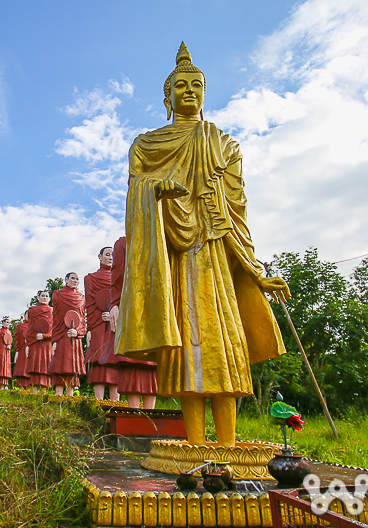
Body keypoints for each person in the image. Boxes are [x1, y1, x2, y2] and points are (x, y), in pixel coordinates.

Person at [116, 43, 291, 446]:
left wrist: (255, 273)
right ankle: (194, 445)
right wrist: (156, 187)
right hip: (173, 261)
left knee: (224, 350)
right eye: (182, 85)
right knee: (186, 354)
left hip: (214, 258)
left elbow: (236, 213)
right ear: (167, 97)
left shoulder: (223, 145)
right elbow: (135, 194)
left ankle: (228, 446)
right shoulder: (147, 146)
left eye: (197, 84)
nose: (190, 91)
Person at [106, 236, 158, 409]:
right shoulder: (123, 243)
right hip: (131, 304)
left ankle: (151, 413)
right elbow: (118, 274)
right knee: (132, 358)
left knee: (154, 359)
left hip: (156, 303)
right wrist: (114, 304)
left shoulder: (158, 237)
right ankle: (134, 410)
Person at [84, 246, 119, 401]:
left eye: (113, 255)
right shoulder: (91, 278)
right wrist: (91, 326)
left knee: (116, 361)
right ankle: (98, 403)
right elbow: (90, 304)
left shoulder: (120, 276)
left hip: (117, 324)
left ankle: (117, 405)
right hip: (98, 325)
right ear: (100, 257)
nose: (111, 257)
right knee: (99, 360)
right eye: (107, 254)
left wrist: (116, 314)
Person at [47, 273, 87, 396]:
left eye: (77, 279)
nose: (75, 281)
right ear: (66, 280)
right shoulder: (58, 295)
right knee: (60, 368)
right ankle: (58, 398)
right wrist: (55, 340)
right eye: (73, 278)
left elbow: (83, 319)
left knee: (73, 370)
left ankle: (70, 399)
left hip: (75, 339)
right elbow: (56, 318)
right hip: (62, 336)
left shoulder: (82, 297)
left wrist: (78, 332)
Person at [26, 291, 53, 393]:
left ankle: (44, 394)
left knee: (45, 368)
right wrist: (29, 343)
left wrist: (45, 336)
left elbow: (54, 329)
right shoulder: (32, 311)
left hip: (47, 344)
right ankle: (34, 394)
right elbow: (30, 328)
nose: (45, 298)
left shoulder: (52, 311)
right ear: (38, 298)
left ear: (49, 299)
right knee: (35, 367)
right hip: (35, 342)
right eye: (43, 296)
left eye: (47, 296)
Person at [12, 313, 30, 389]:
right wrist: (17, 350)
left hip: (31, 350)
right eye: (27, 314)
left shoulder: (34, 326)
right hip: (22, 349)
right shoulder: (20, 326)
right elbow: (17, 339)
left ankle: (29, 390)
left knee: (30, 369)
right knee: (22, 369)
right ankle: (20, 389)